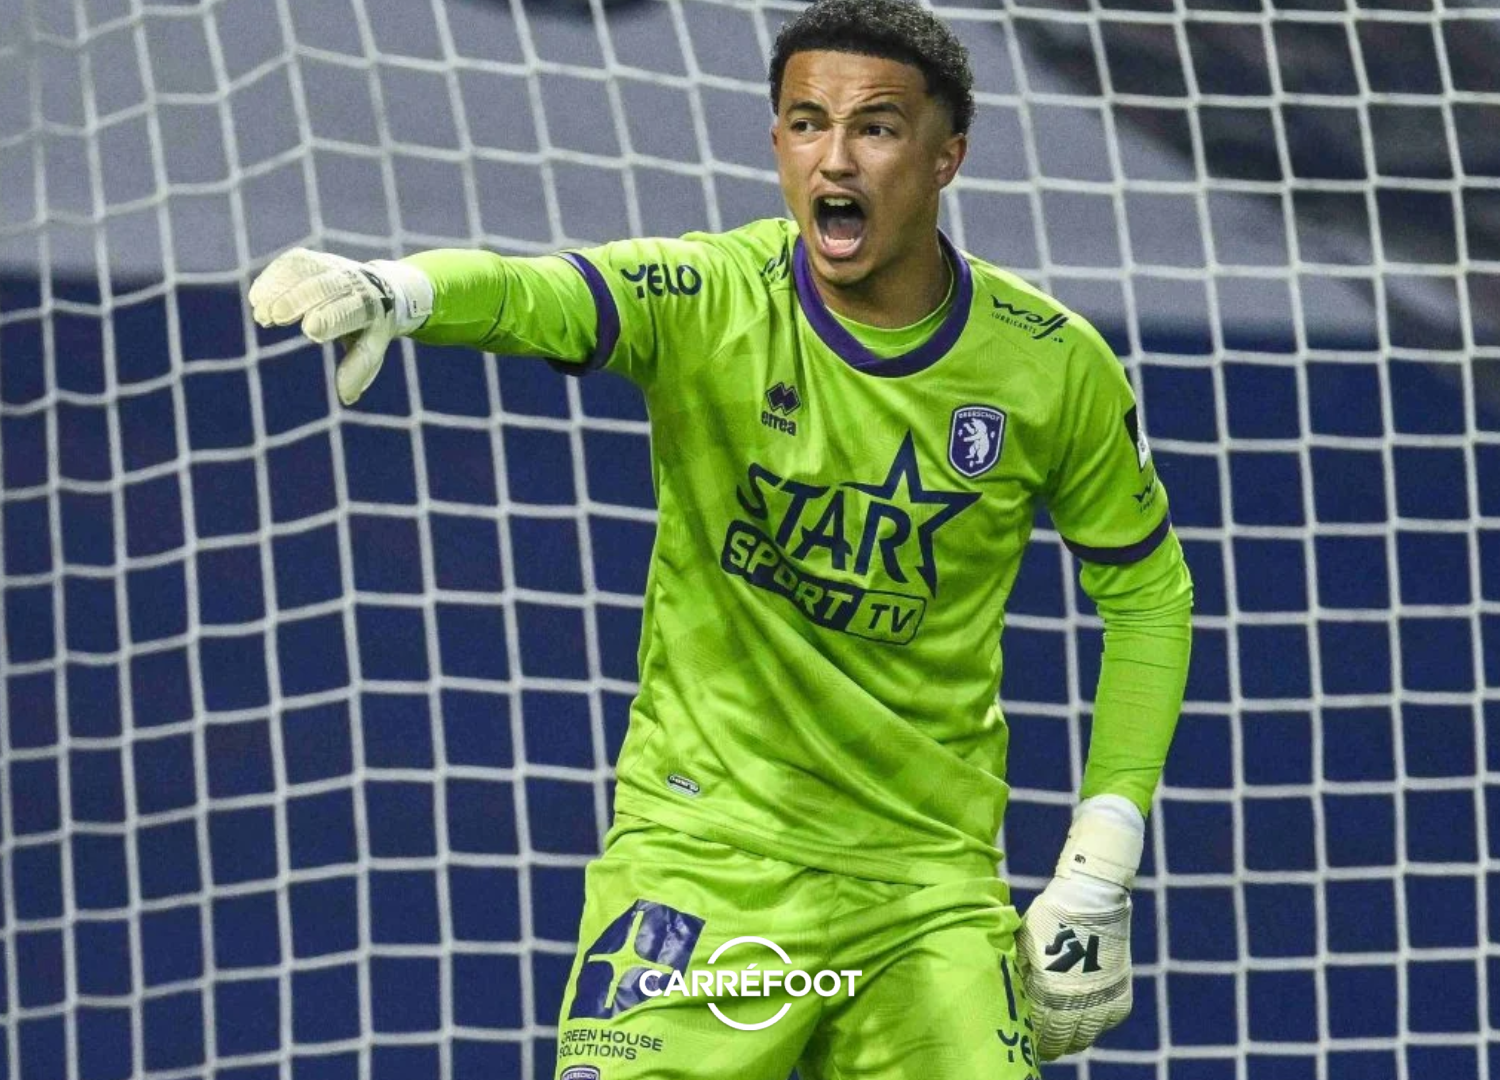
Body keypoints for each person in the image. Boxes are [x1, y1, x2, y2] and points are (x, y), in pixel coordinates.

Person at [249, 1, 1193, 1075]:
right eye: (806, 123)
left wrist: (1098, 866)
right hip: (701, 863)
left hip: (927, 888)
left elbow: (1149, 597)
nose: (835, 158)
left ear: (947, 157)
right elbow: (538, 292)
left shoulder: (1052, 365)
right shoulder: (713, 295)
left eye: (877, 128)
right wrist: (403, 290)